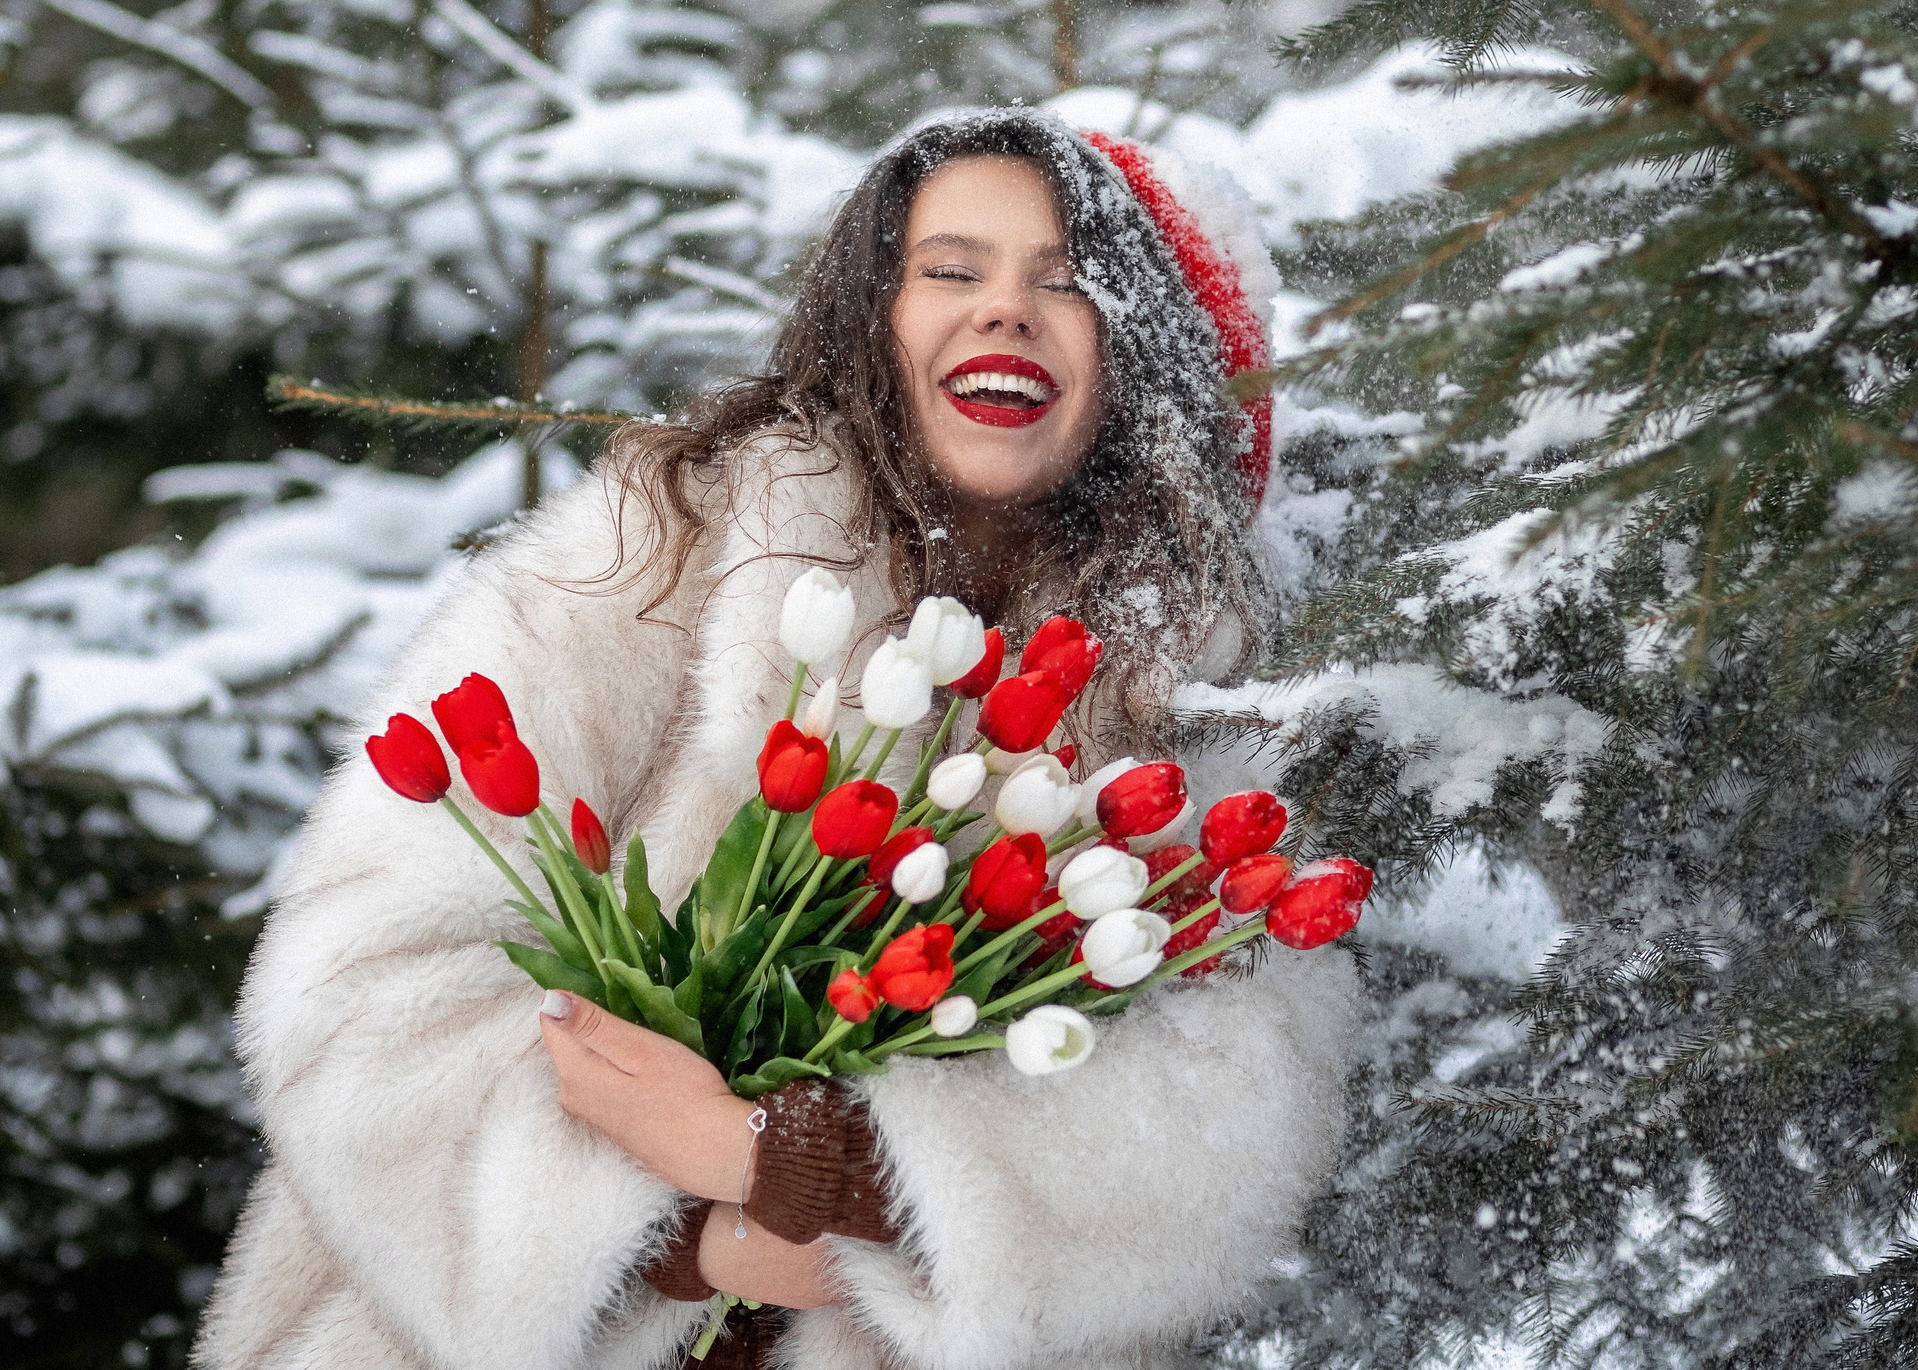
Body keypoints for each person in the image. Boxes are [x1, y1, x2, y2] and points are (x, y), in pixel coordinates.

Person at [195, 109, 1358, 1370]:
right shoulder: (664, 547)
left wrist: (798, 1164)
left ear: (1148, 358)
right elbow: (360, 977)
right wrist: (688, 1238)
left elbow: (1233, 1120)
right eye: (950, 270)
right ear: (878, 313)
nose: (1003, 311)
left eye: (1067, 284)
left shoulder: (1191, 698)